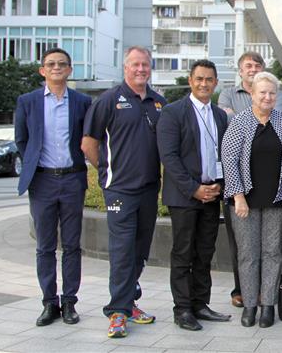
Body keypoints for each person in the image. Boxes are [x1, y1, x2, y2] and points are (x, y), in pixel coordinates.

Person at [82, 46, 167, 339]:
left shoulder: (159, 103)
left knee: (140, 249)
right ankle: (117, 312)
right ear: (125, 68)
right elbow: (88, 143)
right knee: (122, 250)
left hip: (148, 191)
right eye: (135, 65)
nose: (141, 69)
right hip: (119, 191)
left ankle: (129, 302)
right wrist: (107, 173)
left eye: (145, 65)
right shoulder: (108, 100)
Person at [14, 47, 92, 327]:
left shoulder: (82, 102)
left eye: (62, 64)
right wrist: (34, 163)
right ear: (42, 70)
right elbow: (21, 140)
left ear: (70, 70)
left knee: (72, 245)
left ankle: (69, 301)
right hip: (43, 180)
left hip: (72, 179)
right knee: (45, 246)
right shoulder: (28, 101)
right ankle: (49, 302)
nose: (57, 67)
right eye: (51, 64)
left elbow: (89, 138)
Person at [157, 60, 230, 331]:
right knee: (183, 253)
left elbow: (224, 155)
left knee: (204, 253)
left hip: (212, 196)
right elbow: (169, 157)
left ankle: (201, 303)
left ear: (215, 82)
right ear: (190, 80)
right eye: (199, 79)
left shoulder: (220, 115)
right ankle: (183, 309)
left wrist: (219, 187)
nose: (204, 84)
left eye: (209, 79)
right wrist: (194, 189)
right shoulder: (173, 112)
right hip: (185, 197)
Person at [217, 51, 282, 308]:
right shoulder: (239, 122)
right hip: (244, 200)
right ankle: (249, 305)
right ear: (252, 94)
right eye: (262, 93)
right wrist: (238, 197)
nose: (267, 97)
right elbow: (229, 159)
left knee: (272, 254)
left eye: (271, 93)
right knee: (247, 255)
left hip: (275, 200)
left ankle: (268, 305)